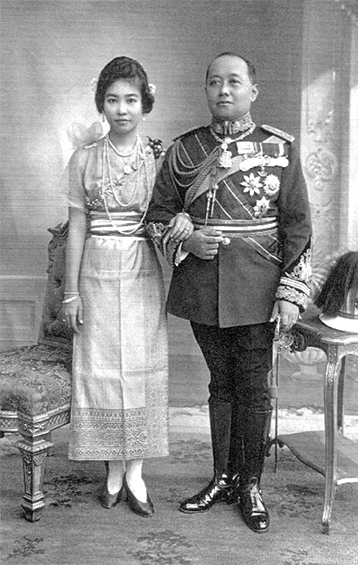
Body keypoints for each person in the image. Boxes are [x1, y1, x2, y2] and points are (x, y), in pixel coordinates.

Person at [146, 52, 312, 533]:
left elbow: (299, 226)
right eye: (215, 82)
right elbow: (156, 217)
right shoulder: (184, 151)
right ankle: (222, 478)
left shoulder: (279, 149)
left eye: (234, 82)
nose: (224, 90)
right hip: (203, 283)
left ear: (252, 92)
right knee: (220, 383)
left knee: (253, 386)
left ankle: (251, 486)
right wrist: (186, 240)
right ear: (206, 90)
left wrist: (290, 291)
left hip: (259, 286)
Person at [62, 56, 187, 517]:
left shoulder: (158, 158)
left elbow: (168, 216)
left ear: (144, 104)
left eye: (131, 100)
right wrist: (71, 293)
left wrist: (181, 220)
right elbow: (77, 227)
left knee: (139, 367)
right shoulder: (84, 158)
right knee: (100, 368)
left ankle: (136, 472)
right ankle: (112, 470)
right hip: (94, 269)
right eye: (113, 100)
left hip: (141, 269)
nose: (122, 109)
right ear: (102, 104)